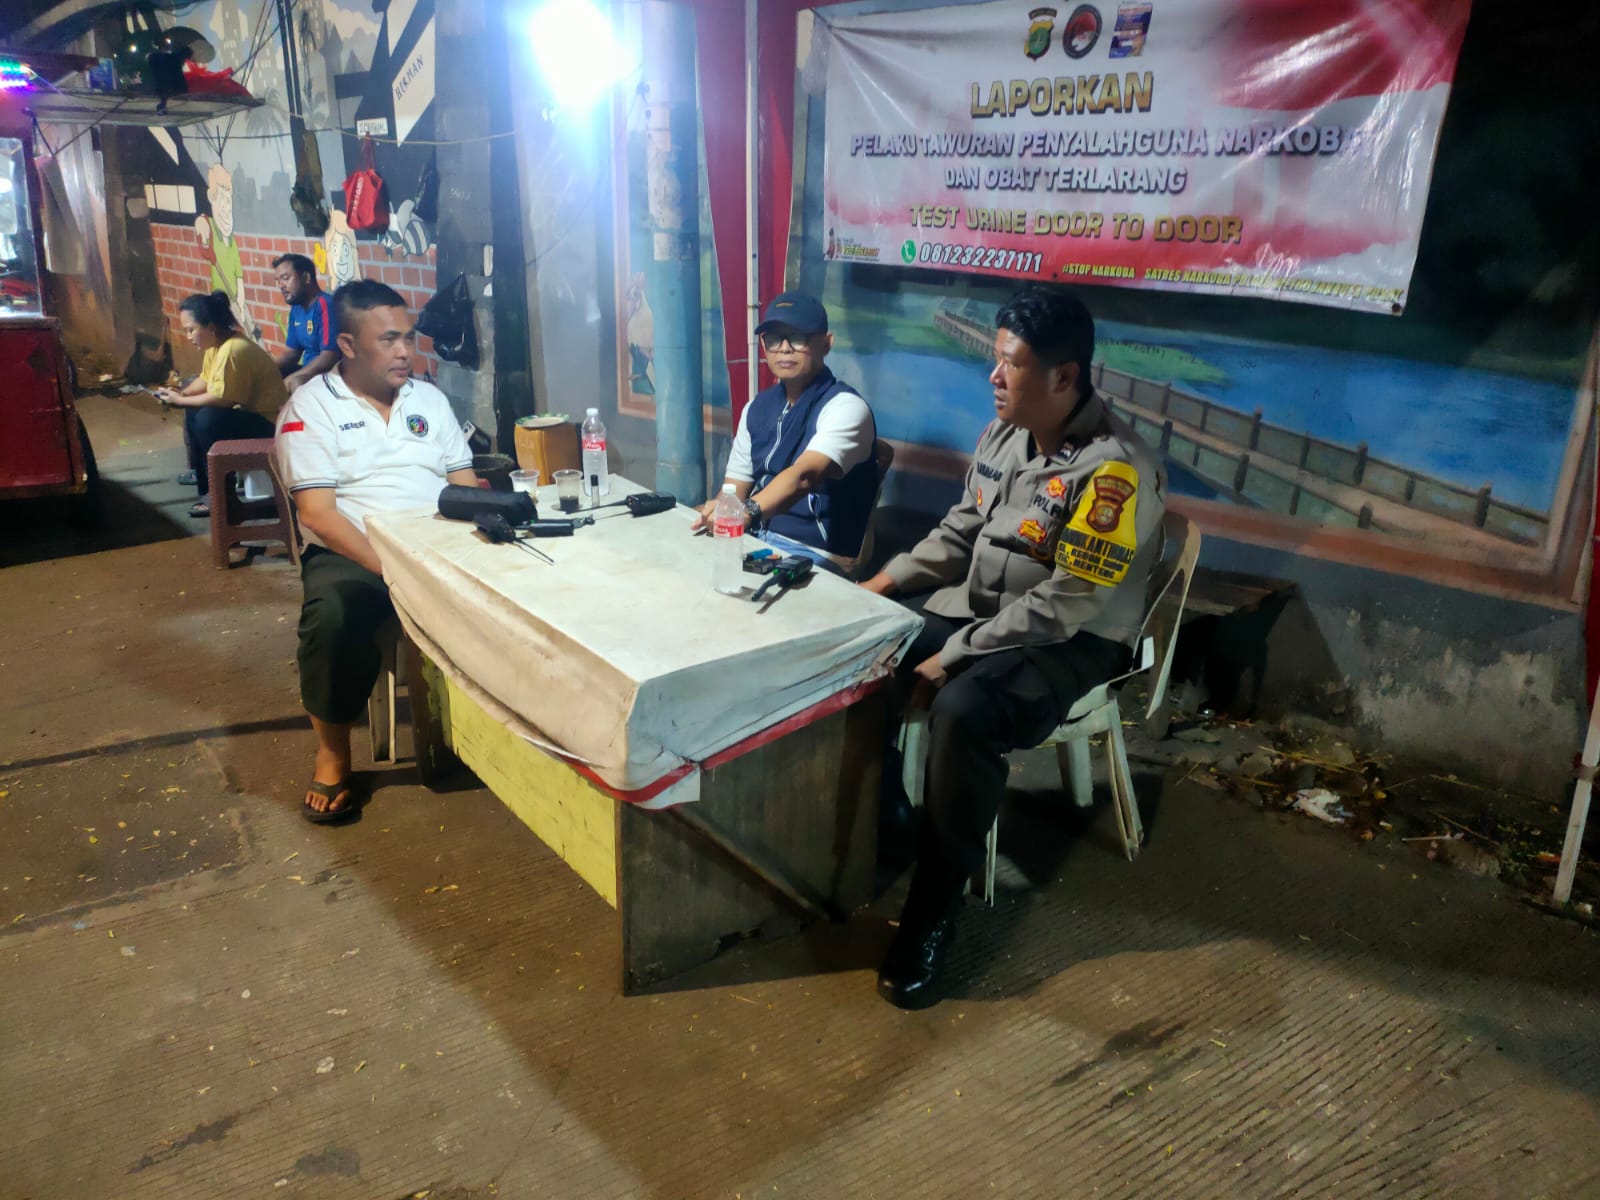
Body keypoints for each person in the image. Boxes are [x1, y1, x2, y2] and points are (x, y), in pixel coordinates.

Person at [859, 286, 1168, 1009]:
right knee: (865, 648)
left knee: (964, 712)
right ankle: (892, 824)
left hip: (1073, 640)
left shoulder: (1114, 472)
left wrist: (956, 653)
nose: (993, 376)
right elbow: (960, 530)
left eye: (1010, 364)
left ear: (1064, 376)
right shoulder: (1004, 434)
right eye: (995, 359)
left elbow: (1065, 604)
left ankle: (933, 911)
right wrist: (880, 585)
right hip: (987, 610)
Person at [274, 279, 478, 824]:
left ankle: (511, 733)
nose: (405, 351)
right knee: (333, 617)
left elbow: (464, 484)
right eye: (388, 340)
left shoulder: (428, 400)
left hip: (437, 539)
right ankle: (333, 752)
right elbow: (318, 514)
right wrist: (393, 570)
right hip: (354, 548)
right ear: (347, 345)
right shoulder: (310, 408)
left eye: (408, 338)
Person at [689, 292, 878, 574]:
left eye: (798, 337)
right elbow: (733, 490)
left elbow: (803, 476)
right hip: (756, 540)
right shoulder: (757, 408)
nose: (784, 348)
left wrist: (746, 513)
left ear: (826, 344)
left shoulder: (847, 408)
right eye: (774, 339)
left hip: (815, 553)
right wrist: (717, 511)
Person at [155, 290, 287, 519]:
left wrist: (180, 400)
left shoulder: (234, 350)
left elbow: (223, 399)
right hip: (251, 416)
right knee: (195, 412)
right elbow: (206, 380)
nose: (188, 336)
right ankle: (208, 485)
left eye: (191, 329)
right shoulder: (216, 346)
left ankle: (222, 495)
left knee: (208, 420)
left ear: (211, 327)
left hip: (271, 424)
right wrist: (181, 393)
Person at [272, 252, 339, 392]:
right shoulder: (296, 308)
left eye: (286, 278)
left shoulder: (326, 305)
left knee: (297, 383)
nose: (281, 285)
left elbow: (329, 357)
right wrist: (266, 369)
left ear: (306, 277)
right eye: (278, 281)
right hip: (308, 372)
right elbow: (291, 354)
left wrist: (294, 378)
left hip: (331, 375)